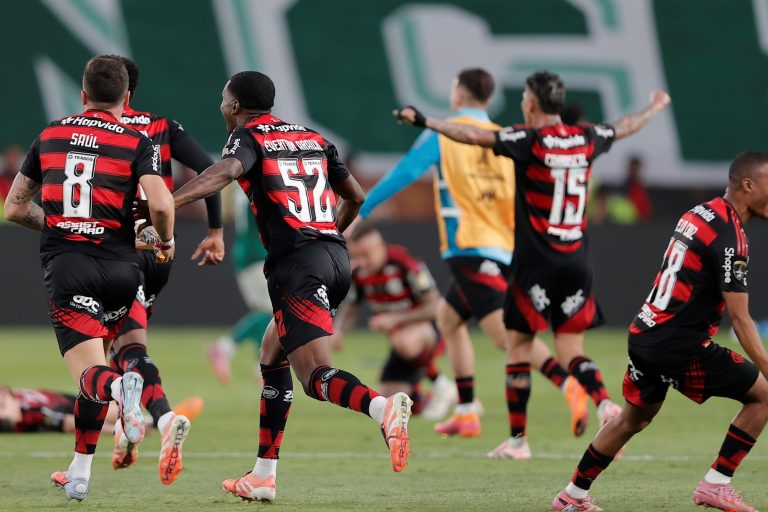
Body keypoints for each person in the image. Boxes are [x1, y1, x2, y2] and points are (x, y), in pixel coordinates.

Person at [394, 70, 670, 458]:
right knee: (572, 348)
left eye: (524, 95)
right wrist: (654, 108)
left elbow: (474, 135)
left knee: (517, 349)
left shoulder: (528, 139)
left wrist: (426, 121)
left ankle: (519, 441)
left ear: (532, 103)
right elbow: (624, 126)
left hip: (535, 264)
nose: (523, 101)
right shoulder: (586, 136)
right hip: (577, 261)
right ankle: (604, 401)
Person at [168, 71, 412, 503]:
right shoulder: (312, 137)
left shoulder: (247, 136)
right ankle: (263, 474)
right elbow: (355, 196)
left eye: (224, 100)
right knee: (270, 353)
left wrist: (168, 201)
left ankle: (382, 407)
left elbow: (225, 171)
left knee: (314, 375)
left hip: (298, 267)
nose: (222, 106)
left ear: (236, 106)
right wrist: (325, 239)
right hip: (335, 257)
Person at [363, 68, 589, 454]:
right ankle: (467, 409)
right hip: (504, 246)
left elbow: (406, 172)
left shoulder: (446, 132)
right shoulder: (504, 137)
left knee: (505, 336)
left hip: (471, 246)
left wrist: (360, 208)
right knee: (449, 320)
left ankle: (569, 383)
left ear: (458, 93)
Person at [552, 151, 768, 512]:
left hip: (645, 334)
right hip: (680, 345)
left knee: (633, 418)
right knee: (763, 395)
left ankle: (571, 496)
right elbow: (741, 319)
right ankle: (716, 484)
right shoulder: (731, 236)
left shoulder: (699, 212)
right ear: (748, 184)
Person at [3, 55, 175, 501]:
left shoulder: (50, 134)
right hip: (122, 270)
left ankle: (124, 386)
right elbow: (161, 203)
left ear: (83, 96)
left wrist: (61, 225)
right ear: (127, 98)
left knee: (93, 376)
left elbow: (15, 208)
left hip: (70, 268)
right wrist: (165, 240)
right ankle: (79, 473)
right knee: (115, 356)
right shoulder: (139, 140)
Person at [104, 56, 224, 485]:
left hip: (113, 249)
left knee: (123, 347)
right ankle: (125, 431)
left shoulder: (93, 130)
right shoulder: (161, 126)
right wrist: (214, 230)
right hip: (160, 249)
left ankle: (164, 417)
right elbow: (210, 170)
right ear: (130, 91)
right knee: (124, 345)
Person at [333, 222, 453, 419]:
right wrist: (338, 331)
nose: (361, 262)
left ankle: (441, 383)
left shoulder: (404, 263)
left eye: (366, 255)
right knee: (390, 400)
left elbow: (434, 306)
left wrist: (395, 318)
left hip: (429, 332)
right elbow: (352, 307)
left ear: (380, 248)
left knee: (403, 340)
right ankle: (438, 397)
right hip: (400, 342)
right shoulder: (358, 273)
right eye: (356, 256)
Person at [207, 189, 271, 384]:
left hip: (247, 252)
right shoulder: (256, 188)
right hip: (256, 254)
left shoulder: (240, 190)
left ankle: (261, 367)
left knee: (265, 314)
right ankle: (225, 347)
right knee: (271, 312)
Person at [0, 385, 204, 434]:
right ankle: (158, 422)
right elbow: (69, 423)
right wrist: (115, 432)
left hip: (67, 399)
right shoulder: (32, 414)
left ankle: (156, 419)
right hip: (70, 407)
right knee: (112, 411)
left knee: (117, 407)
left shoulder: (16, 398)